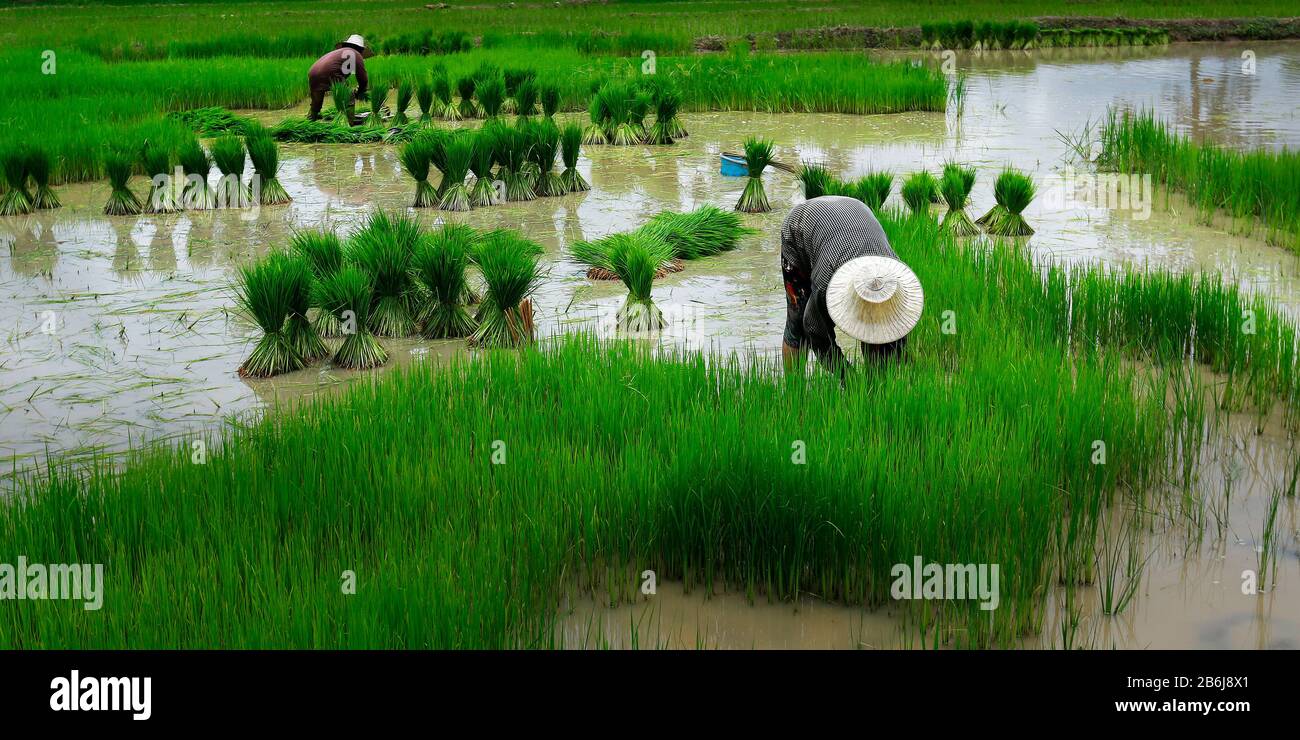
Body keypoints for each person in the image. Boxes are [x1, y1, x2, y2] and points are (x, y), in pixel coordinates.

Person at [780, 195, 924, 375]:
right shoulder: (827, 285)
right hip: (802, 224)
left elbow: (896, 335)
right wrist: (847, 378)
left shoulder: (898, 281)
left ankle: (875, 386)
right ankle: (793, 394)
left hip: (855, 211)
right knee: (797, 323)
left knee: (881, 331)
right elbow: (815, 331)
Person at [307, 34, 373, 121]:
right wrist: (360, 91)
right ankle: (349, 121)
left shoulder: (340, 53)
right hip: (330, 72)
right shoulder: (356, 54)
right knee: (349, 95)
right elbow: (363, 79)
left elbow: (342, 73)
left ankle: (310, 119)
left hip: (313, 72)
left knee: (316, 102)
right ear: (361, 49)